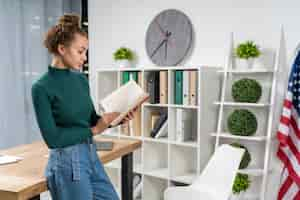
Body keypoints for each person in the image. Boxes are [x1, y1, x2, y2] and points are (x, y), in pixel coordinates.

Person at [31, 14, 133, 200]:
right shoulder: (41, 87)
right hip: (67, 162)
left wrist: (113, 120)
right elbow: (53, 139)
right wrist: (94, 129)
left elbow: (91, 119)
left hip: (90, 154)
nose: (85, 58)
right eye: (80, 51)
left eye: (85, 52)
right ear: (62, 49)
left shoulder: (80, 80)